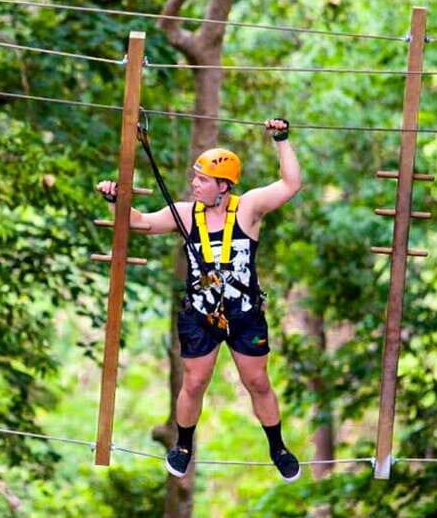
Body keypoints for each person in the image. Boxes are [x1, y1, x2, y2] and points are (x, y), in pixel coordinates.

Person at [96, 118, 302, 481]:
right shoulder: (187, 215)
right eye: (195, 178)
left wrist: (281, 140)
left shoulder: (249, 208)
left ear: (223, 186)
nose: (195, 184)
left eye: (202, 180)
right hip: (200, 314)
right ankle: (184, 444)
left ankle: (278, 446)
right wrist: (117, 201)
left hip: (244, 313)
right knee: (193, 382)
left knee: (257, 382)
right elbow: (139, 223)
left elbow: (290, 184)